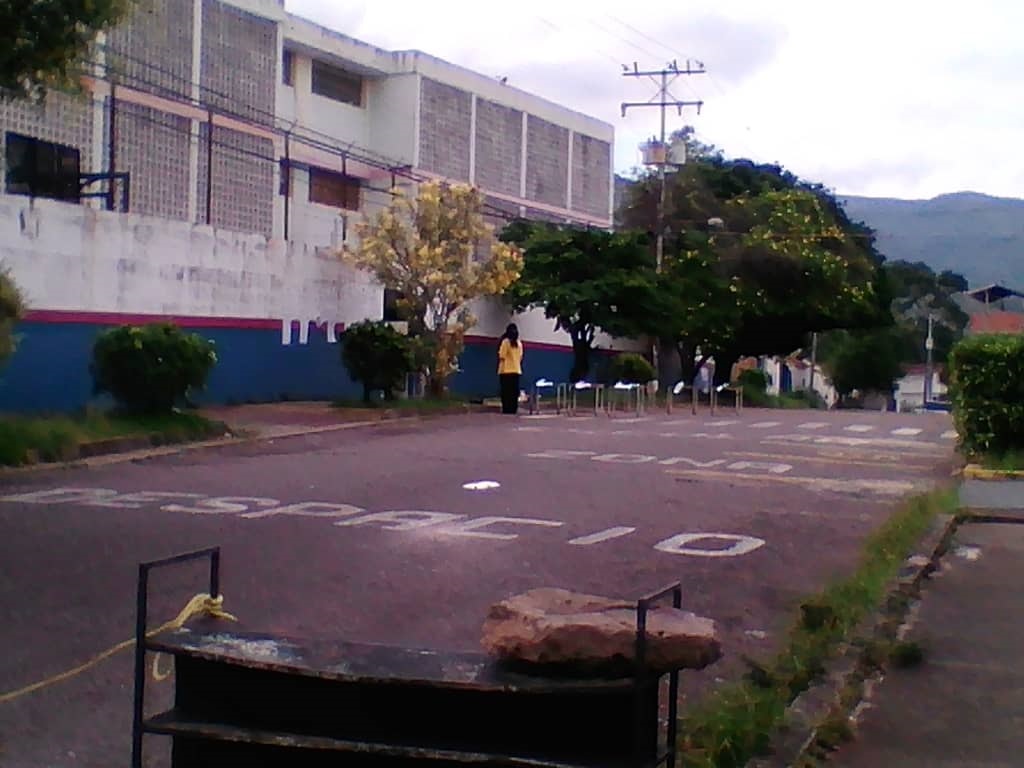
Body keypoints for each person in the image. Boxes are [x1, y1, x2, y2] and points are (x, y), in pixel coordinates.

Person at [497, 323, 524, 414]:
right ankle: (513, 409)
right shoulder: (519, 344)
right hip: (516, 370)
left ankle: (506, 409)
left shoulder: (505, 342)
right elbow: (520, 357)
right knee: (513, 392)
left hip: (505, 370)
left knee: (506, 392)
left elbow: (502, 356)